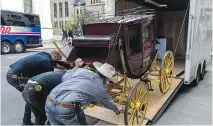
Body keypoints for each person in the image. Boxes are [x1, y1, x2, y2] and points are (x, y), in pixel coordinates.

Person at [45, 60, 125, 125]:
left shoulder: (80, 71)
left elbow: (64, 77)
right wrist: (116, 107)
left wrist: (76, 67)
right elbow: (107, 101)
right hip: (65, 108)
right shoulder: (99, 88)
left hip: (49, 101)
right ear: (106, 79)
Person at [6, 50, 70, 125]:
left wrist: (67, 67)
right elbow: (47, 79)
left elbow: (54, 64)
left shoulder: (45, 55)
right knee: (31, 95)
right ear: (55, 56)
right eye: (58, 60)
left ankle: (26, 122)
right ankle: (29, 121)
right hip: (16, 77)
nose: (58, 62)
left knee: (30, 97)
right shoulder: (45, 62)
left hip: (12, 73)